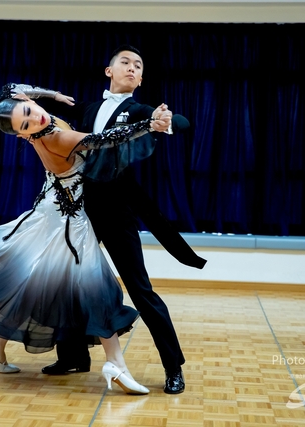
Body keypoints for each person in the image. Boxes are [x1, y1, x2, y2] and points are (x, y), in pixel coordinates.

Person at [0, 82, 173, 395]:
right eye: (25, 123)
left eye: (28, 110)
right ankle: (115, 363)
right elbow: (105, 139)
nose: (34, 117)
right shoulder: (56, 137)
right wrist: (149, 125)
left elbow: (11, 87)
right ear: (23, 135)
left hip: (53, 209)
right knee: (97, 288)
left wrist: (51, 96)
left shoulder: (42, 121)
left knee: (36, 284)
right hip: (68, 221)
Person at [39, 45, 207, 394]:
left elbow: (180, 123)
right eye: (126, 63)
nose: (132, 68)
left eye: (138, 66)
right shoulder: (88, 109)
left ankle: (173, 367)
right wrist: (45, 95)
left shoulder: (140, 111)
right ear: (109, 71)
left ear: (141, 79)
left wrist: (165, 121)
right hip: (82, 208)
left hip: (117, 210)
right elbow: (38, 108)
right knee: (68, 281)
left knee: (140, 289)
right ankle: (73, 356)